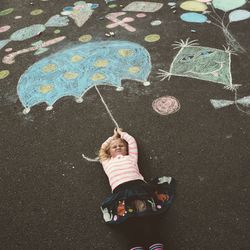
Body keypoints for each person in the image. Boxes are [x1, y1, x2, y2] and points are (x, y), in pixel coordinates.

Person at [99, 128, 176, 250]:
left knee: (146, 214)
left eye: (121, 145)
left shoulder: (131, 157)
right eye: (114, 147)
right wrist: (112, 137)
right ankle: (135, 244)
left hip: (138, 188)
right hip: (121, 192)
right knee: (128, 219)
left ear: (126, 149)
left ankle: (154, 241)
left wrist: (121, 133)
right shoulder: (107, 162)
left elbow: (132, 141)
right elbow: (103, 148)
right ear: (109, 151)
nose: (118, 147)